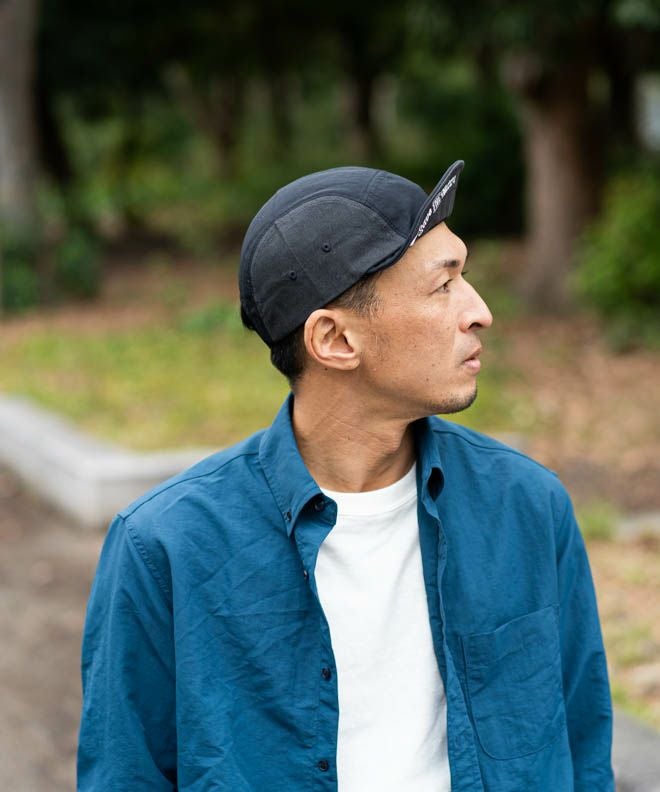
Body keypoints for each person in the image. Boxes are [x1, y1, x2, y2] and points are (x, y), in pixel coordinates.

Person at [77, 161, 614, 791]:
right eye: (442, 286)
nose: (479, 312)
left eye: (464, 276)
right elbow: (126, 774)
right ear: (335, 340)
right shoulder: (166, 547)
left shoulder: (528, 506)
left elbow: (583, 749)